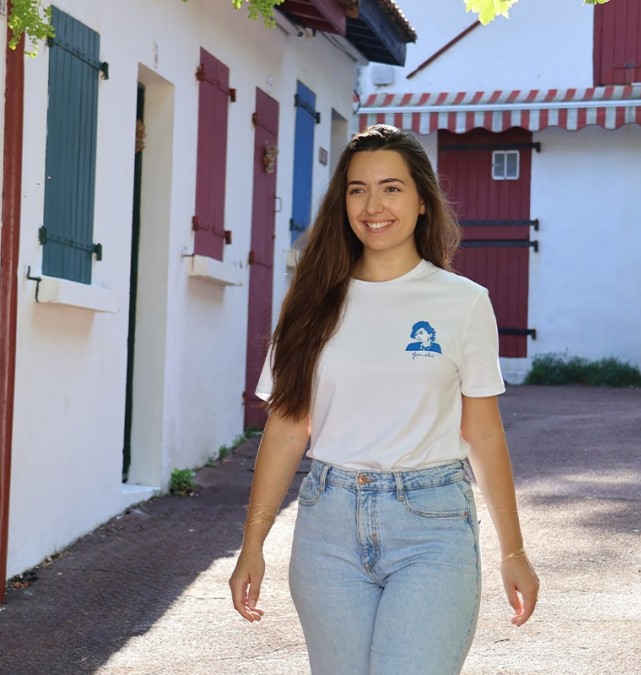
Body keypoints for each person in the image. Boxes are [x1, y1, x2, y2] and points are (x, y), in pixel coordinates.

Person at [229, 124, 539, 674]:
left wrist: (512, 551)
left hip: (432, 526)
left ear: (423, 200)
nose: (373, 205)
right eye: (357, 189)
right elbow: (286, 429)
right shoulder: (310, 301)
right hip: (328, 526)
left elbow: (484, 432)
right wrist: (253, 543)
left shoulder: (463, 303)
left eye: (391, 187)